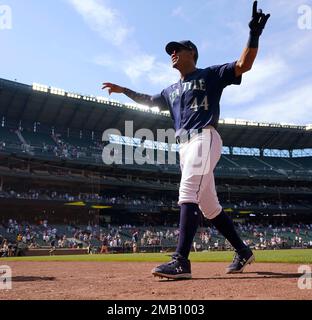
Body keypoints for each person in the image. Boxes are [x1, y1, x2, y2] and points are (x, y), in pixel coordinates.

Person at [102, 1, 270, 280]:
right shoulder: (170, 90)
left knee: (187, 191)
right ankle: (243, 250)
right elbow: (148, 100)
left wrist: (253, 35)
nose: (172, 54)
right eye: (170, 51)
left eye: (177, 49)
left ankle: (181, 260)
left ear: (191, 52)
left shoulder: (210, 74)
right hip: (185, 146)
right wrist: (124, 90)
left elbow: (244, 65)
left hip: (205, 137)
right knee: (209, 207)